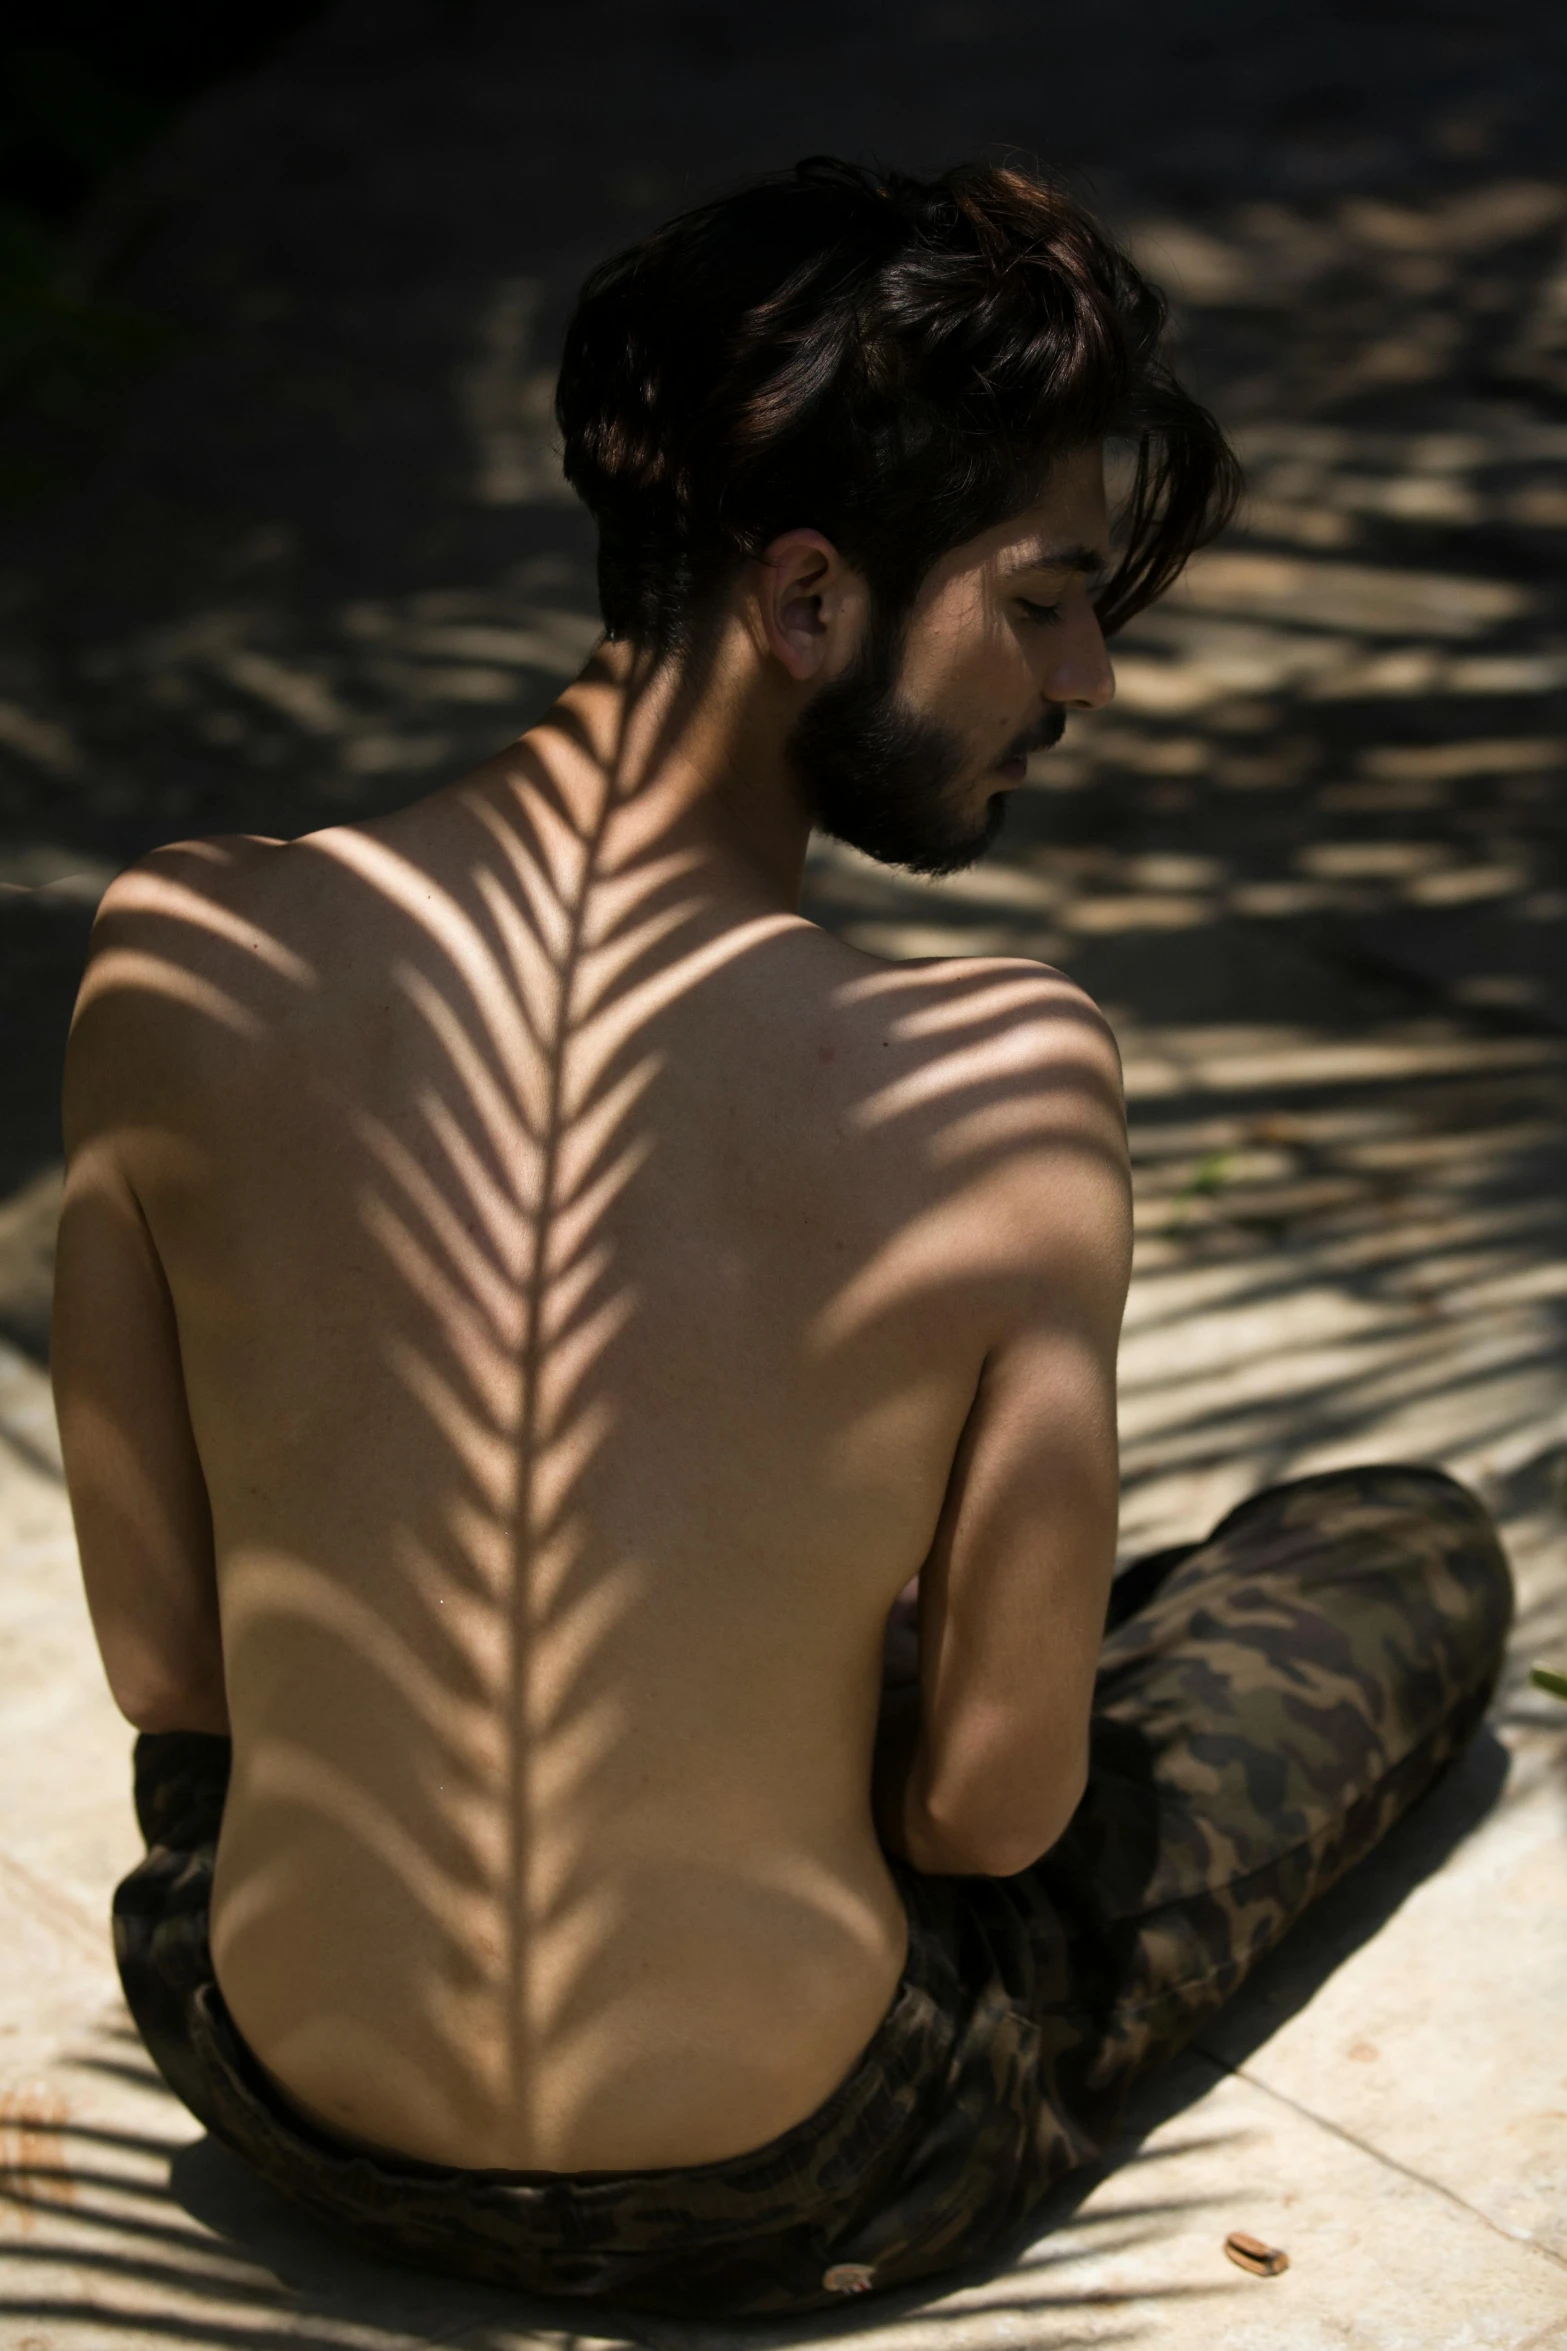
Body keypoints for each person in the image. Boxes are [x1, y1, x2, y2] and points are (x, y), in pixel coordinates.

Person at [52, 159, 1511, 2317]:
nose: (1090, 675)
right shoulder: (991, 1079)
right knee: (1392, 1539)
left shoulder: (180, 953)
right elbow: (994, 1817)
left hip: (279, 2075)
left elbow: (176, 1681)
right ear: (811, 596)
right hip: (809, 2156)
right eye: (1043, 596)